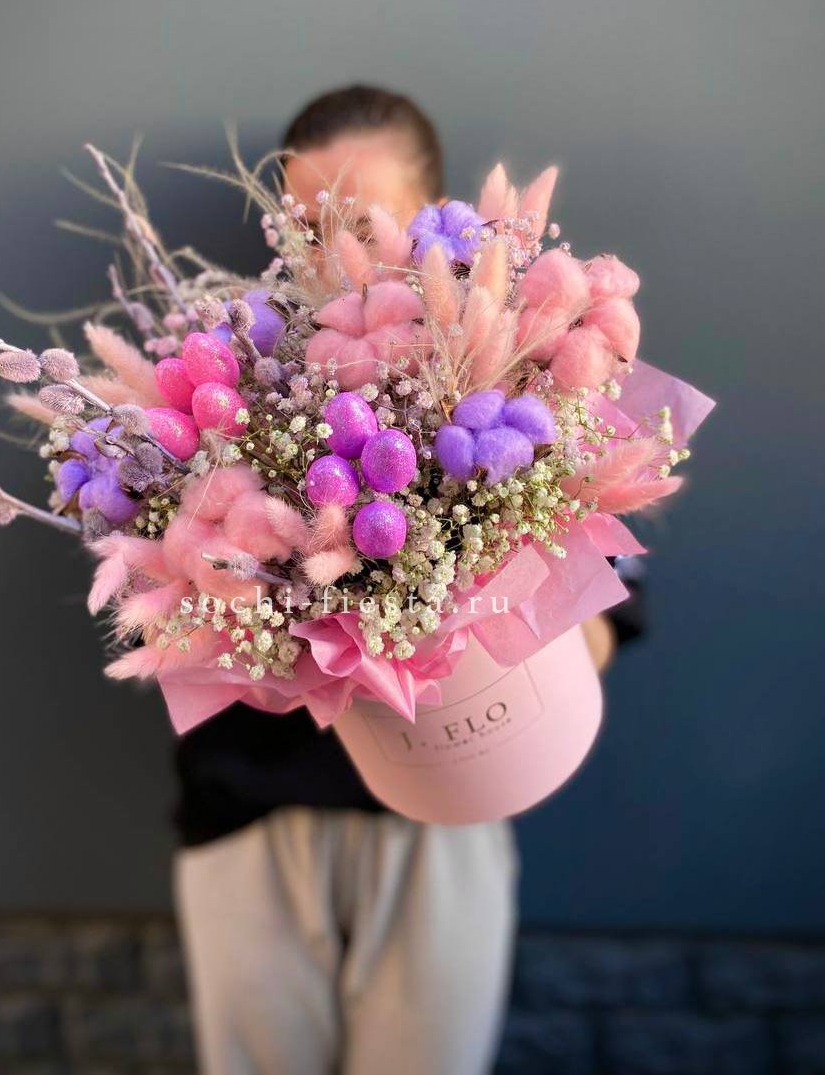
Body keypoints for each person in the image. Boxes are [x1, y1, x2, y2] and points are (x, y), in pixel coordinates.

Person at [172, 85, 629, 1075]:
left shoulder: (525, 380)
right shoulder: (223, 377)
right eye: (307, 227)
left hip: (442, 824)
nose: (333, 253)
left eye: (364, 222)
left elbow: (595, 640)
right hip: (249, 819)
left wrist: (473, 578)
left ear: (436, 216)